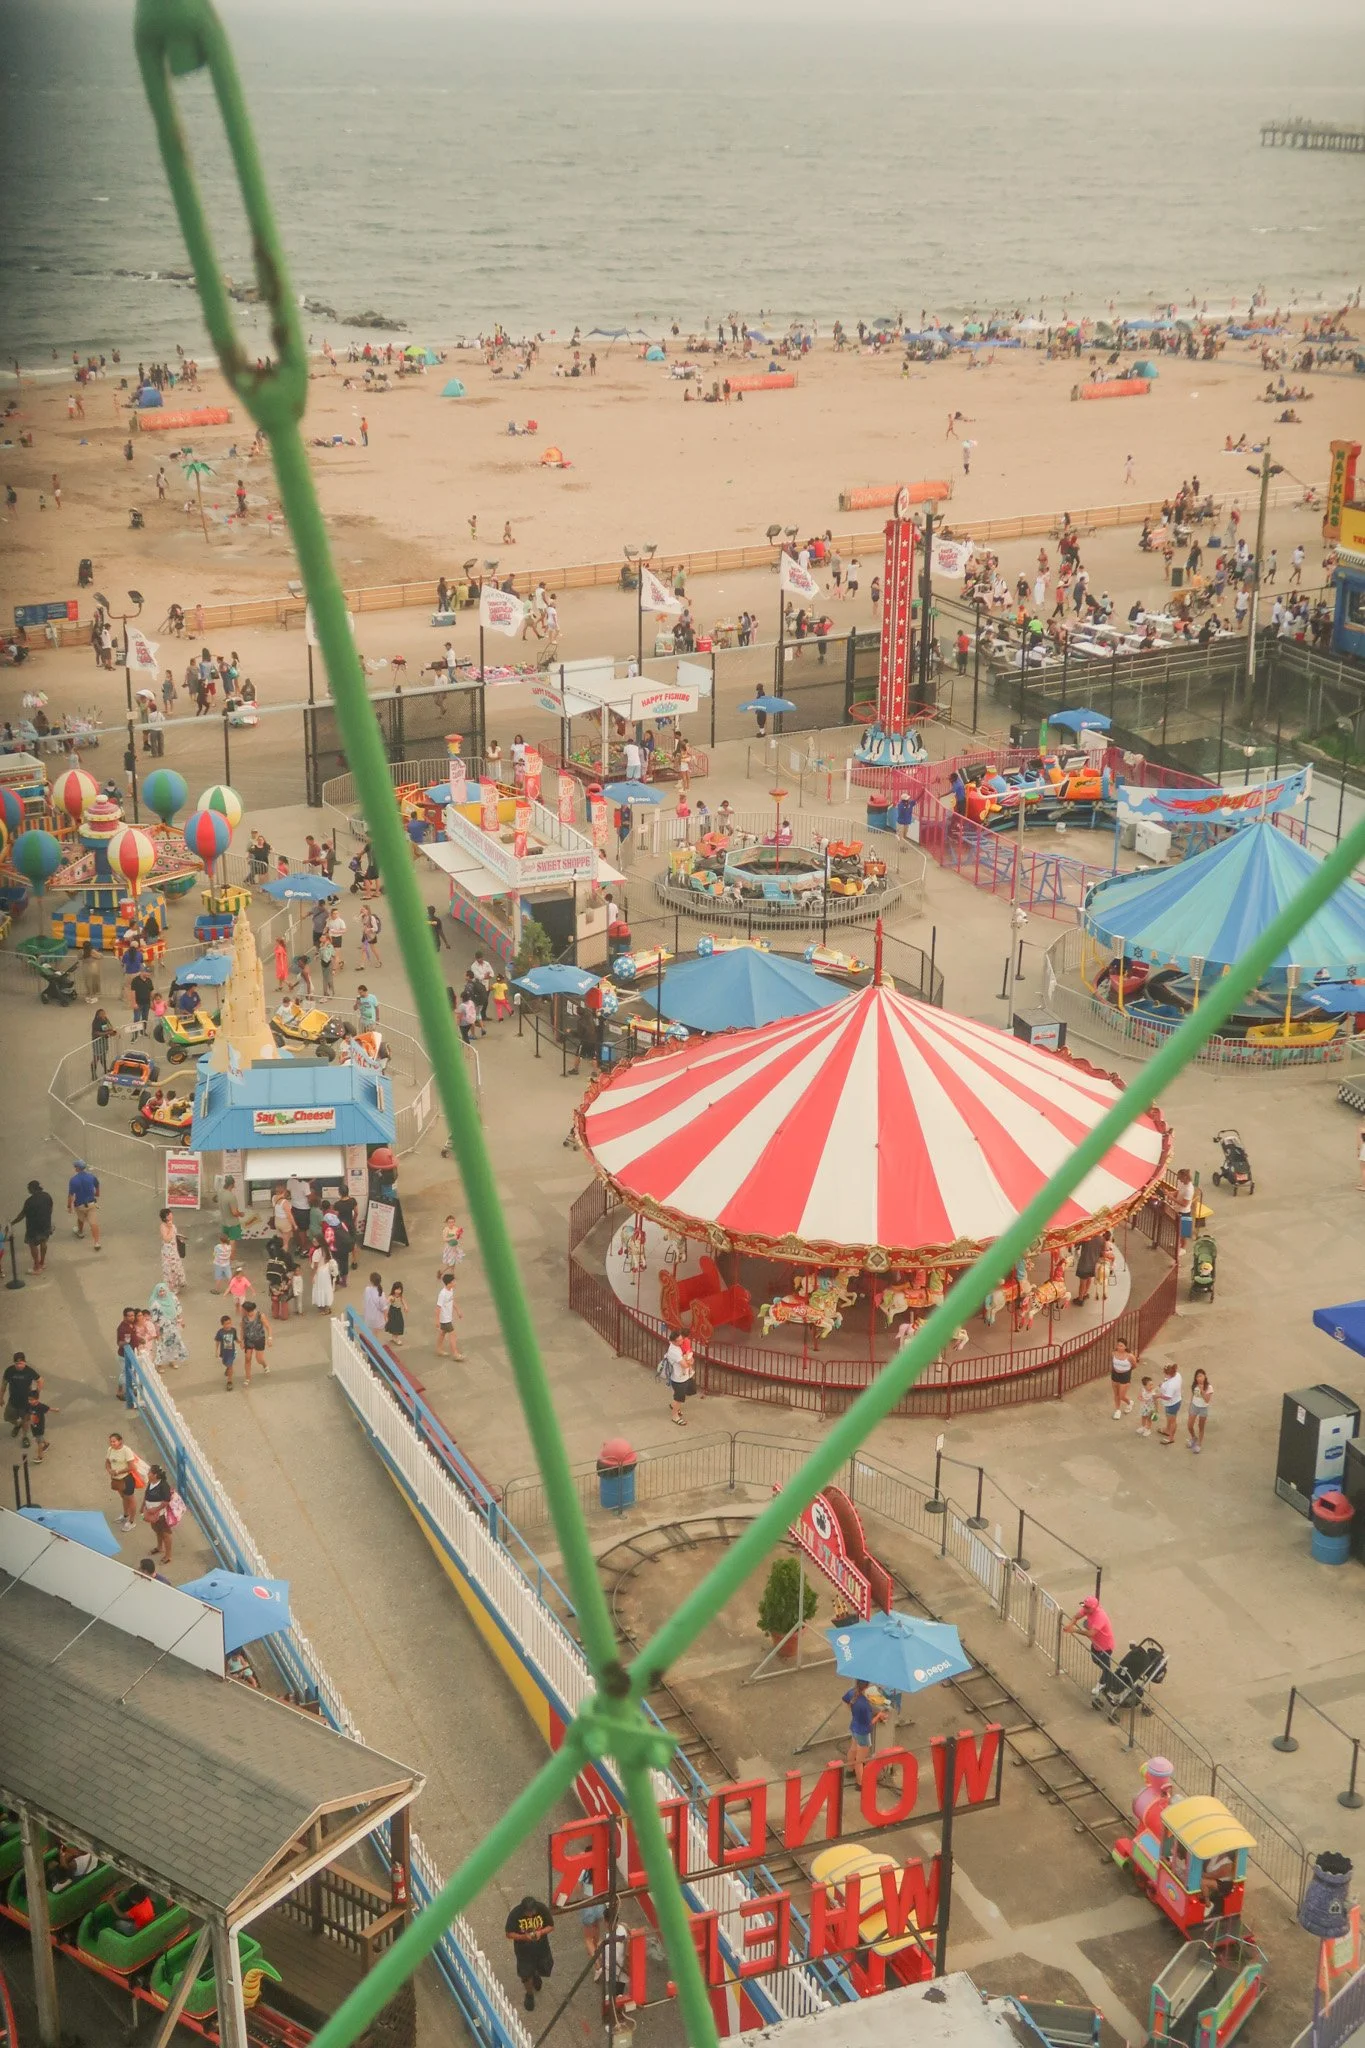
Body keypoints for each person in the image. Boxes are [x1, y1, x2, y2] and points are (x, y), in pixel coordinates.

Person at [504, 1896, 554, 2013]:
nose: (531, 1915)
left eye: (532, 1912)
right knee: (526, 1975)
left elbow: (551, 1926)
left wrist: (540, 1932)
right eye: (528, 1913)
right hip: (523, 1952)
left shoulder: (542, 1909)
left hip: (541, 1949)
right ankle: (529, 1994)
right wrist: (523, 1937)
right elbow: (509, 1934)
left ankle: (536, 1974)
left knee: (545, 1967)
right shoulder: (515, 1914)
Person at [1063, 1594, 1115, 1694]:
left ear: (1094, 1608)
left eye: (1087, 1607)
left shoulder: (1100, 1617)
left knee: (1105, 1667)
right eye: (1084, 1606)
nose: (1084, 1609)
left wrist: (1074, 1630)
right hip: (1096, 1644)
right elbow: (1076, 1617)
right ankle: (1108, 1676)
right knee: (1095, 1660)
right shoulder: (1087, 1609)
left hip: (1105, 1647)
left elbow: (1091, 1633)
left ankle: (1103, 1683)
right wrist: (1069, 1625)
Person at [843, 1677, 886, 1788]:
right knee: (860, 1759)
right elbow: (870, 1723)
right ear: (866, 1687)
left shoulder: (852, 1693)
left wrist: (853, 1711)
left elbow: (845, 1700)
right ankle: (861, 1783)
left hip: (854, 1726)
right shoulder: (865, 1706)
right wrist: (879, 1715)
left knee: (853, 1749)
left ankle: (850, 1770)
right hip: (863, 1732)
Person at [142, 1463, 181, 1565]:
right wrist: (143, 1506)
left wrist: (156, 1509)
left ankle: (168, 1555)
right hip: (152, 1513)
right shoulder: (150, 1483)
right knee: (156, 1530)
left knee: (165, 1534)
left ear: (155, 1475)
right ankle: (159, 1547)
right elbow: (146, 1495)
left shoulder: (163, 1486)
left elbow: (166, 1501)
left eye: (150, 1472)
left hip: (161, 1515)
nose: (148, 1473)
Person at [11, 1179, 54, 1273]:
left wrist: (12, 1223)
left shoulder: (29, 1201)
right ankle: (42, 1262)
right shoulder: (47, 1196)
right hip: (45, 1224)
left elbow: (22, 1215)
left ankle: (37, 1267)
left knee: (33, 1245)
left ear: (32, 1189)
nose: (28, 1190)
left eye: (28, 1188)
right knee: (43, 1242)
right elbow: (50, 1208)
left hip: (33, 1227)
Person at [3, 1352, 41, 1441]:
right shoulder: (9, 1370)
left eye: (21, 1363)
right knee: (8, 1417)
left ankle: (24, 1437)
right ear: (14, 1363)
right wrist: (1, 1397)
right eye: (17, 1364)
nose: (19, 1366)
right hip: (12, 1401)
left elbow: (40, 1380)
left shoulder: (29, 1371)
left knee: (26, 1421)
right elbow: (4, 1384)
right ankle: (17, 1425)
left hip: (26, 1403)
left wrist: (37, 1394)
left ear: (25, 1362)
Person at [662, 1329, 696, 1425]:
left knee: (691, 1390)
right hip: (679, 1378)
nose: (682, 1341)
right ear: (673, 1341)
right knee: (679, 1398)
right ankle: (675, 1416)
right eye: (680, 1340)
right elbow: (684, 1365)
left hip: (686, 1375)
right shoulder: (674, 1351)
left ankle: (674, 1405)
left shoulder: (678, 1346)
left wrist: (689, 1361)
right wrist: (690, 1362)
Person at [106, 1431, 138, 1530]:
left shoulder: (126, 1451)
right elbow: (107, 1462)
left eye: (114, 1441)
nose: (112, 1443)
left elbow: (132, 1467)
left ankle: (131, 1521)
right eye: (111, 1442)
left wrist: (119, 1471)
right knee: (123, 1497)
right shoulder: (110, 1449)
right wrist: (109, 1470)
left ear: (120, 1441)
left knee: (130, 1499)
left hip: (126, 1479)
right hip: (116, 1479)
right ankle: (125, 1515)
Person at [67, 1159, 101, 1249]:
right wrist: (97, 1193)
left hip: (80, 1205)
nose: (75, 1168)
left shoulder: (73, 1180)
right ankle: (97, 1242)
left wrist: (69, 1206)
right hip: (91, 1203)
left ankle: (80, 1232)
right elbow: (97, 1185)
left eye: (75, 1167)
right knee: (93, 1223)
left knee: (80, 1218)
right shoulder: (91, 1177)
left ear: (78, 1168)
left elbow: (70, 1195)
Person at [239, 1298, 271, 1384]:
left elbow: (268, 1327)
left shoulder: (260, 1315)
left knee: (259, 1359)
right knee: (247, 1358)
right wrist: (241, 1340)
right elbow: (242, 1328)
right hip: (248, 1340)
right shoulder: (244, 1317)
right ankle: (247, 1378)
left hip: (259, 1339)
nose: (241, 1311)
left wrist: (270, 1338)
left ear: (246, 1310)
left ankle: (264, 1365)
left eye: (243, 1309)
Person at [158, 1206, 186, 1291]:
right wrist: (170, 1228)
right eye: (168, 1215)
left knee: (177, 1266)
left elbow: (174, 1235)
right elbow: (166, 1239)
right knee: (170, 1269)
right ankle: (172, 1288)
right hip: (168, 1251)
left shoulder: (172, 1225)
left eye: (170, 1213)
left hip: (174, 1249)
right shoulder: (163, 1226)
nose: (170, 1215)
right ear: (164, 1217)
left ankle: (179, 1283)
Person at [1109, 1336, 1137, 1419]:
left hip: (1125, 1375)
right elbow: (1113, 1363)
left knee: (1121, 1395)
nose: (1119, 1347)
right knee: (1116, 1394)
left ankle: (1129, 1402)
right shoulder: (1113, 1353)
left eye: (1121, 1346)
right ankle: (1117, 1410)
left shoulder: (1130, 1356)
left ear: (1125, 1347)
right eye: (1118, 1345)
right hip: (1115, 1374)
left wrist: (1127, 1371)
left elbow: (1134, 1365)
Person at [1187, 1369, 1212, 1453]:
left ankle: (1199, 1443)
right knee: (1189, 1425)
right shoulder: (1195, 1385)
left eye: (1201, 1375)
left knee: (1201, 1426)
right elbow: (1193, 1395)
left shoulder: (1209, 1387)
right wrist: (1190, 1405)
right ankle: (1194, 1437)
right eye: (1197, 1376)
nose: (1199, 1378)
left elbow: (1207, 1400)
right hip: (1194, 1406)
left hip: (1203, 1408)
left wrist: (1202, 1390)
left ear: (1205, 1376)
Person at [311, 1242, 338, 1312]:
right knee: (326, 1288)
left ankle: (322, 1305)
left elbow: (315, 1266)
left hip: (319, 1272)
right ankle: (326, 1305)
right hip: (326, 1271)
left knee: (319, 1288)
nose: (313, 1242)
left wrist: (313, 1276)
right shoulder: (326, 1250)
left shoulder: (317, 1252)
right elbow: (329, 1260)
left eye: (315, 1241)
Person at [215, 1313, 239, 1389]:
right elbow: (217, 1341)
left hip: (231, 1352)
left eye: (230, 1323)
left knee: (230, 1365)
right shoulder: (220, 1332)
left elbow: (235, 1338)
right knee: (225, 1363)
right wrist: (216, 1351)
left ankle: (229, 1382)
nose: (229, 1325)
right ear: (222, 1324)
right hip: (224, 1352)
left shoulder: (233, 1330)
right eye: (226, 1324)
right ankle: (228, 1368)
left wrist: (240, 1343)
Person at [362, 1271, 388, 1337]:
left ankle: (369, 1343)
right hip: (377, 1317)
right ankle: (373, 1345)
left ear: (371, 1281)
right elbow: (384, 1307)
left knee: (369, 1332)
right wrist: (386, 1317)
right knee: (375, 1334)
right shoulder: (381, 1294)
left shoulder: (367, 1289)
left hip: (368, 1315)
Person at [384, 1280, 407, 1349]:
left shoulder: (400, 1296)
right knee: (395, 1324)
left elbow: (403, 1301)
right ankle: (395, 1338)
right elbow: (387, 1303)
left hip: (398, 1311)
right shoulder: (392, 1297)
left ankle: (394, 1337)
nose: (398, 1291)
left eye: (399, 1289)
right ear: (394, 1289)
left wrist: (406, 1307)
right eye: (396, 1289)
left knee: (399, 1323)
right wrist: (386, 1313)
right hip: (393, 1311)